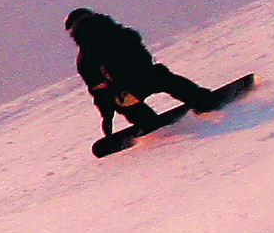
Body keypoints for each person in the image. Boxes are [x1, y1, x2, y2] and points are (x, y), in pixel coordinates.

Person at [65, 8, 220, 138]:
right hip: (149, 76)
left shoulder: (85, 59)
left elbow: (100, 90)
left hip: (126, 91)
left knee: (127, 104)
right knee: (168, 81)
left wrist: (107, 117)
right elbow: (142, 55)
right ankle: (204, 101)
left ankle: (153, 126)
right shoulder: (121, 32)